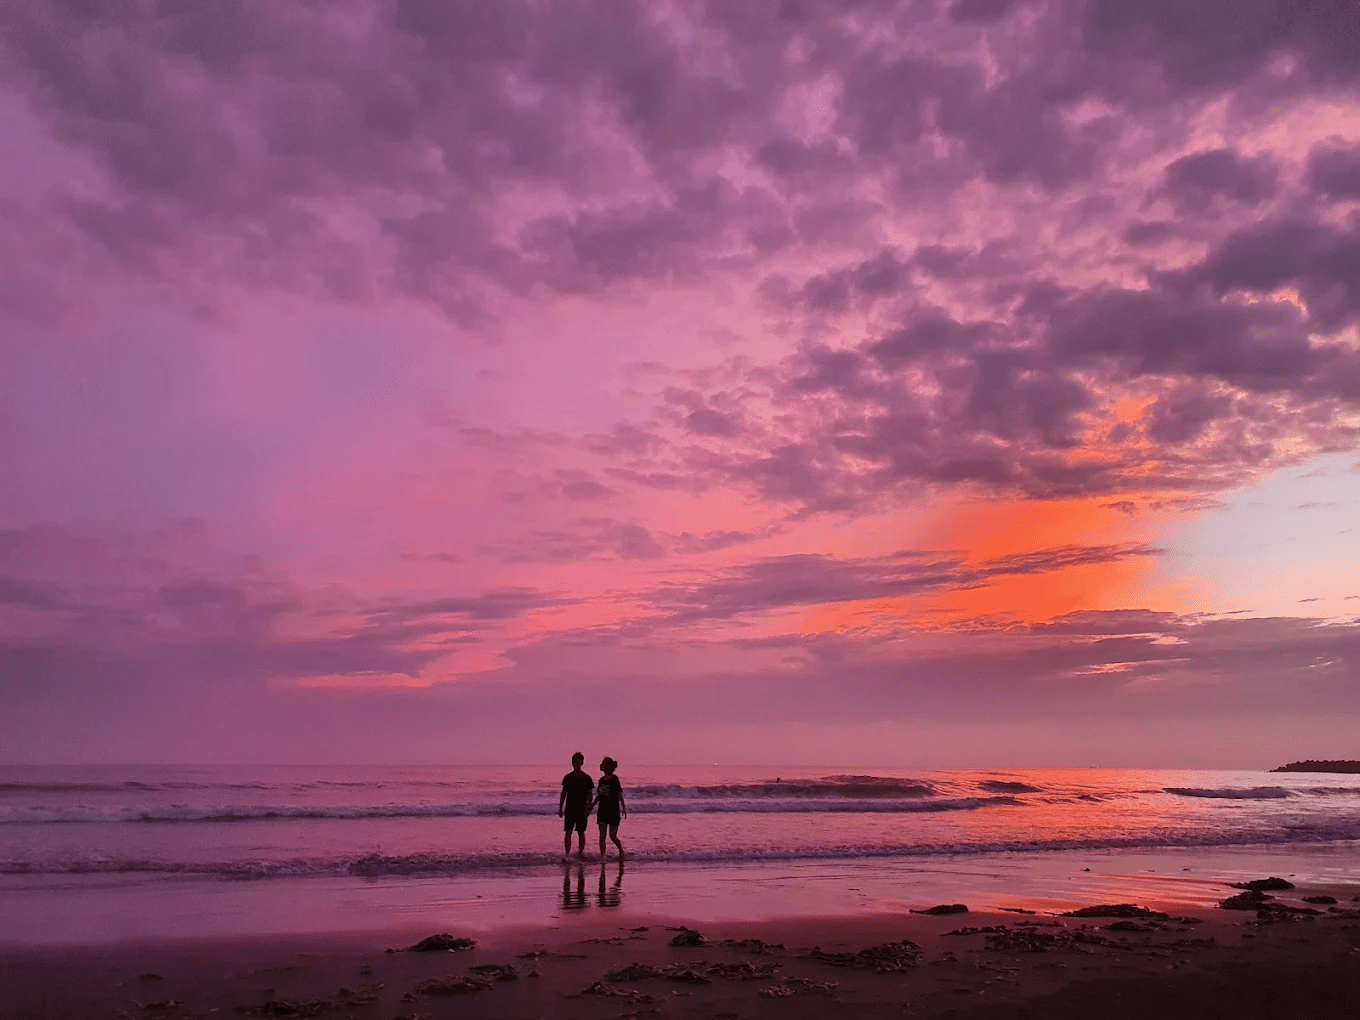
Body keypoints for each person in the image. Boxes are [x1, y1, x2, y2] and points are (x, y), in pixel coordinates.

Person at [558, 751, 594, 859]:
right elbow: (563, 793)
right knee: (568, 831)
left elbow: (590, 793)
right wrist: (560, 807)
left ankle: (581, 852)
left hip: (582, 808)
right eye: (574, 762)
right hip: (570, 808)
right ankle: (567, 854)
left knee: (581, 832)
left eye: (578, 762)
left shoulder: (586, 778)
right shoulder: (568, 777)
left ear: (582, 763)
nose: (575, 764)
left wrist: (589, 806)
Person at [590, 756, 627, 860]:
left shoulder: (615, 779)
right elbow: (599, 795)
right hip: (602, 810)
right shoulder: (601, 780)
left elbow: (619, 794)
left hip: (613, 810)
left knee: (612, 836)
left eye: (603, 763)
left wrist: (624, 808)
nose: (601, 765)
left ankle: (621, 850)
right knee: (602, 835)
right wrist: (591, 806)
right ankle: (603, 856)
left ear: (608, 766)